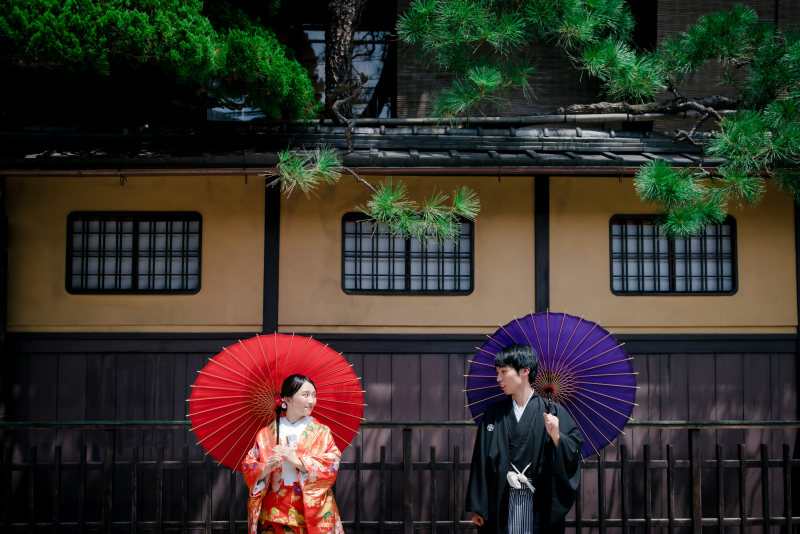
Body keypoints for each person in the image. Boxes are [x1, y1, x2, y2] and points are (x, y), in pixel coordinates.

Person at [465, 344, 584, 534]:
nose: (499, 379)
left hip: (539, 501)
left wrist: (556, 437)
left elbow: (573, 449)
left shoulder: (553, 412)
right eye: (497, 372)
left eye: (504, 371)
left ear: (525, 371)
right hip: (502, 498)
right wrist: (478, 505)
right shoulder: (493, 414)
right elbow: (480, 460)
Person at [243, 374, 344, 534]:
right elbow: (249, 466)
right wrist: (265, 469)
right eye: (305, 395)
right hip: (272, 515)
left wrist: (297, 461)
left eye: (314, 395)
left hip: (309, 515)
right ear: (287, 400)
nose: (311, 401)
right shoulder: (266, 434)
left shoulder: (321, 432)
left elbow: (332, 464)